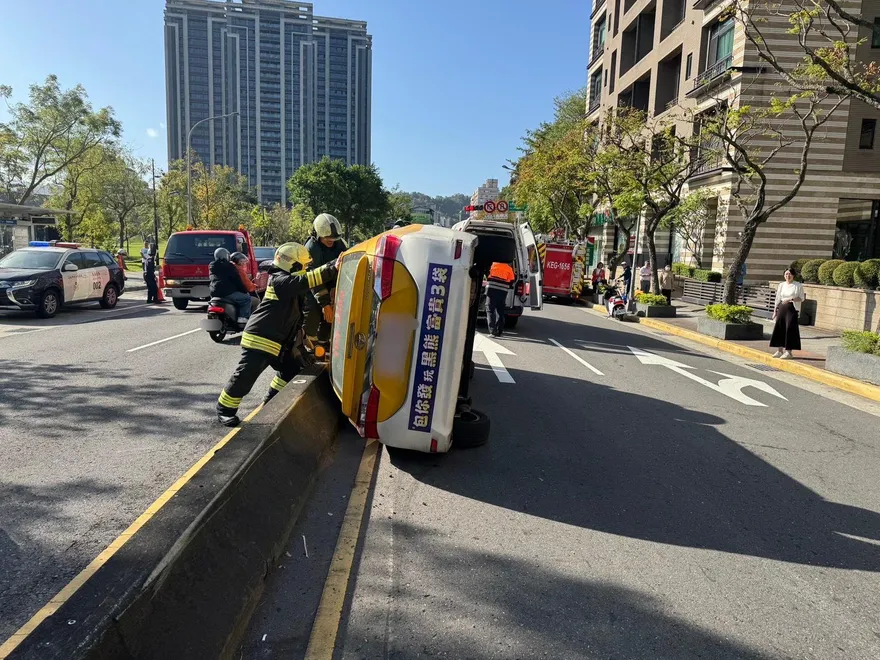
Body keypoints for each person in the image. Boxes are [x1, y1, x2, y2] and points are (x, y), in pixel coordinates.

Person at [216, 243, 339, 427]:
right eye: (304, 266)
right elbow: (305, 281)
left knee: (291, 370)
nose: (306, 269)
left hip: (281, 341)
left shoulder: (288, 283)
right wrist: (333, 267)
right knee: (246, 376)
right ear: (293, 265)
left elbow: (296, 315)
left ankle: (271, 401)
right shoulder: (280, 280)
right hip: (261, 338)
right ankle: (225, 410)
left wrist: (304, 340)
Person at [304, 213, 348, 356]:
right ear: (317, 235)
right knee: (313, 310)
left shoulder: (340, 244)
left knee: (335, 314)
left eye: (334, 238)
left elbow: (346, 266)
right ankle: (311, 342)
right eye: (327, 238)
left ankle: (326, 341)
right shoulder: (311, 248)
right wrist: (325, 304)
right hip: (314, 286)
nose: (331, 241)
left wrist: (337, 287)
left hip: (333, 284)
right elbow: (313, 280)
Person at [209, 247, 251, 324]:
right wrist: (244, 291)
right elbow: (237, 280)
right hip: (228, 292)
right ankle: (243, 318)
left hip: (214, 292)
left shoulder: (212, 266)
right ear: (226, 255)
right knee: (247, 299)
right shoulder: (229, 266)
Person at [770, 269, 805, 359]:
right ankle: (779, 350)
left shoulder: (798, 285)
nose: (788, 276)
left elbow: (802, 298)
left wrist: (791, 299)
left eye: (789, 274)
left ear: (793, 275)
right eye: (786, 274)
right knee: (780, 328)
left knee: (789, 328)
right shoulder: (781, 285)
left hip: (792, 308)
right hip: (782, 308)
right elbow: (778, 298)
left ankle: (788, 352)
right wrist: (775, 311)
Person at [485, 262, 515, 337]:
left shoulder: (492, 265)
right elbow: (512, 281)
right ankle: (499, 330)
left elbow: (485, 274)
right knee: (500, 310)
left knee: (490, 309)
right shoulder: (509, 269)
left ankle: (492, 331)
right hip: (503, 291)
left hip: (491, 290)